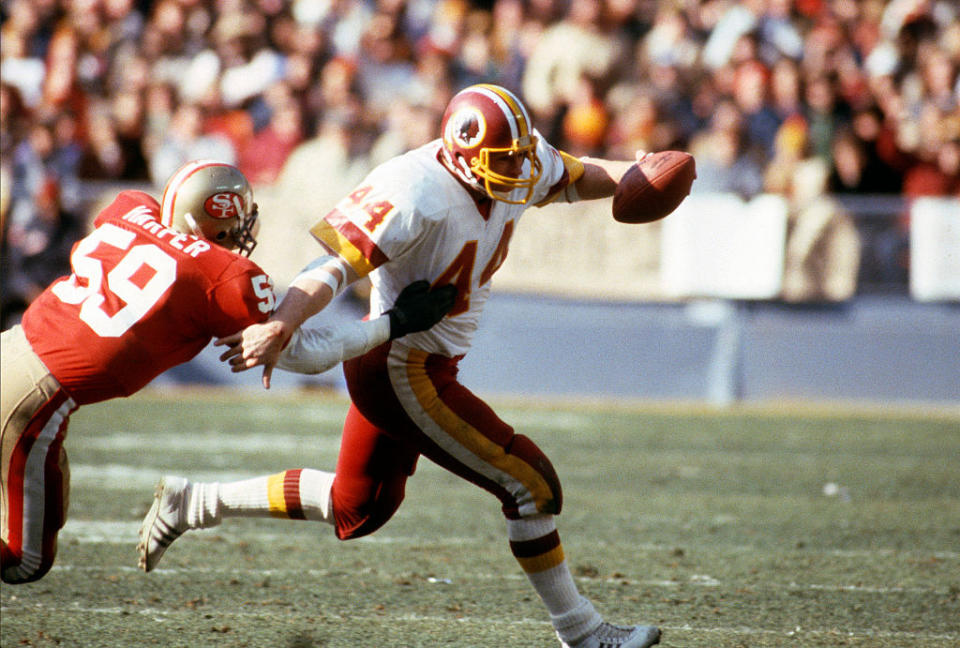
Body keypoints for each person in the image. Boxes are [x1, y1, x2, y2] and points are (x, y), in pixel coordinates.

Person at [139, 84, 662, 648]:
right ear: (462, 154)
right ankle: (581, 632)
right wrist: (282, 323)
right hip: (401, 364)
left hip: (420, 358)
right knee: (530, 484)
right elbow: (333, 266)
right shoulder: (412, 190)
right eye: (502, 160)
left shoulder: (513, 159)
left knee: (357, 509)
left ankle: (194, 502)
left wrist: (636, 173)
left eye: (519, 155)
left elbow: (575, 175)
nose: (518, 170)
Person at [0, 159, 456, 584]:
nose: (240, 233)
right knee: (26, 561)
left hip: (12, 348)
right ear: (208, 222)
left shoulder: (129, 208)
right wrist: (393, 323)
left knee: (49, 509)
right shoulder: (224, 278)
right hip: (36, 398)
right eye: (233, 223)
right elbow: (305, 356)